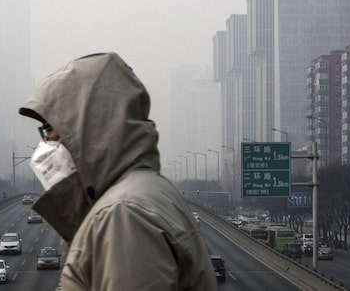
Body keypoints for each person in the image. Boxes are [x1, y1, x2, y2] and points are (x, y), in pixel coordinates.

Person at [19, 52, 217, 290]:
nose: (47, 140)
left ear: (86, 127)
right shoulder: (138, 196)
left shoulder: (124, 213)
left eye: (50, 128)